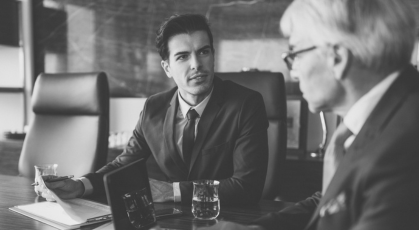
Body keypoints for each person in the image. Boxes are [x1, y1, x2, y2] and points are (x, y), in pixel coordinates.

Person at [201, 0, 419, 229]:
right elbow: (329, 202)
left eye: (295, 53)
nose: (292, 72)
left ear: (338, 58)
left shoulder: (404, 146)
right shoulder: (381, 119)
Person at [42, 14, 269, 205]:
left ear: (213, 56)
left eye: (203, 52)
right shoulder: (154, 107)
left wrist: (173, 191)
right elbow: (123, 164)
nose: (196, 65)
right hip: (174, 221)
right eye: (182, 56)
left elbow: (246, 187)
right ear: (167, 67)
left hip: (228, 220)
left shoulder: (246, 104)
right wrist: (80, 186)